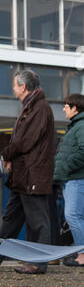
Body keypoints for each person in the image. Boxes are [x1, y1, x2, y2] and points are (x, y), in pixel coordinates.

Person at [0, 69, 55, 274]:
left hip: (32, 174)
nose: (12, 89)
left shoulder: (39, 108)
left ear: (23, 86)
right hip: (23, 175)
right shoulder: (33, 107)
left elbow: (26, 141)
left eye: (14, 85)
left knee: (38, 221)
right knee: (12, 218)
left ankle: (38, 263)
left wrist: (7, 154)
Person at [54, 94, 84, 266]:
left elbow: (82, 151)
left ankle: (82, 256)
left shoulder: (81, 126)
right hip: (71, 178)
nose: (63, 108)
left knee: (73, 216)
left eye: (66, 105)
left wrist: (65, 167)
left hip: (76, 178)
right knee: (76, 216)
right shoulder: (75, 126)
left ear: (75, 108)